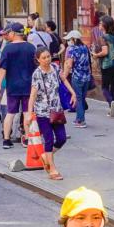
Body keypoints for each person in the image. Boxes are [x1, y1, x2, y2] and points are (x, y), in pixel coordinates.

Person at [28, 47, 75, 181]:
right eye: (44, 58)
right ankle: (52, 168)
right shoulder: (37, 74)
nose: (47, 59)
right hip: (42, 112)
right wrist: (29, 113)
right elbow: (32, 95)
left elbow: (63, 79)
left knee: (62, 138)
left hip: (56, 110)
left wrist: (73, 92)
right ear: (38, 60)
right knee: (48, 139)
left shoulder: (54, 67)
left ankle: (46, 156)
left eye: (48, 56)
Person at [0, 22, 36, 149]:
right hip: (28, 85)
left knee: (10, 113)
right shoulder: (31, 48)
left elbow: (2, 69)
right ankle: (29, 138)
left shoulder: (8, 48)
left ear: (13, 33)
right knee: (27, 112)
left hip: (12, 86)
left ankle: (6, 140)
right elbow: (36, 68)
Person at [93, 16, 114, 116]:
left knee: (105, 87)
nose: (99, 25)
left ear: (105, 25)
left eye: (100, 23)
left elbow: (105, 52)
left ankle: (111, 102)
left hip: (107, 65)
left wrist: (95, 55)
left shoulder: (103, 37)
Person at [62, 30, 93, 128]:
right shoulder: (85, 47)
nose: (68, 42)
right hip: (86, 77)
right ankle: (79, 118)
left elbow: (70, 64)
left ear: (74, 39)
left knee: (78, 98)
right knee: (82, 98)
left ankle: (80, 120)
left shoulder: (72, 49)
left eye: (70, 39)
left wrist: (64, 74)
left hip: (77, 77)